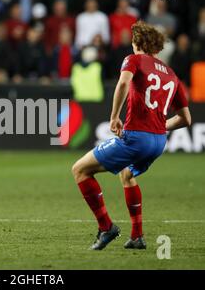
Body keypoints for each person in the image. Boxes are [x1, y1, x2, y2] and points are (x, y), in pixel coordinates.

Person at [71, 21, 191, 250]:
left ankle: (106, 227)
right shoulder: (172, 75)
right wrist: (160, 126)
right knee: (127, 174)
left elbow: (124, 82)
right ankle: (137, 236)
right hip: (158, 142)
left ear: (138, 42)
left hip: (136, 137)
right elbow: (186, 119)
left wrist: (114, 116)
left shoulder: (134, 59)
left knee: (80, 170)